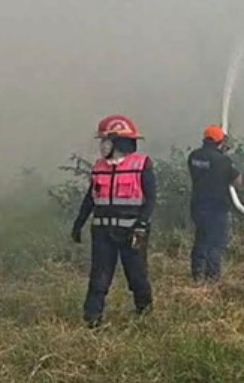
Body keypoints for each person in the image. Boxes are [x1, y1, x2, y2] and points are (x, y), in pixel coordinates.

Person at [71, 114, 157, 328]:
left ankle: (144, 313)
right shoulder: (100, 167)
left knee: (137, 276)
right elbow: (90, 198)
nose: (101, 146)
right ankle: (92, 320)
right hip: (102, 232)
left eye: (105, 141)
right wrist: (79, 223)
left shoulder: (141, 165)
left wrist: (142, 223)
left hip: (132, 232)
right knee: (99, 278)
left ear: (117, 142)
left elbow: (151, 198)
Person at [187, 125, 243, 286]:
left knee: (200, 240)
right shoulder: (223, 161)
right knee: (215, 244)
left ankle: (197, 274)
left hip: (197, 206)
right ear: (220, 142)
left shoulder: (194, 156)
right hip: (216, 209)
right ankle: (212, 279)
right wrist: (227, 158)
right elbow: (238, 181)